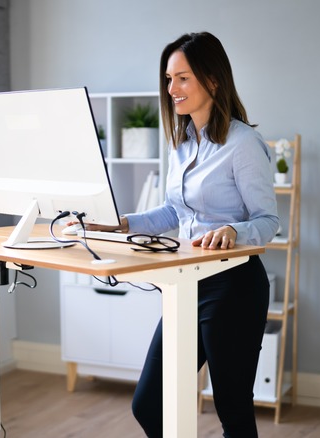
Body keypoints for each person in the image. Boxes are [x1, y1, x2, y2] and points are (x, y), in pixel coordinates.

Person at [83, 31, 278, 437]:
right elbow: (174, 211)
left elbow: (266, 221)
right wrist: (121, 223)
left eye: (183, 78)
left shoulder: (243, 143)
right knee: (148, 405)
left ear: (213, 80)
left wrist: (232, 230)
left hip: (234, 287)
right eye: (169, 79)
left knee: (233, 412)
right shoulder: (182, 144)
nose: (172, 89)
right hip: (187, 286)